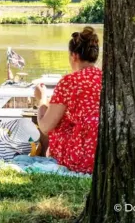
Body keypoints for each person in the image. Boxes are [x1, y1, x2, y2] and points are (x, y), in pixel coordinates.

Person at [35, 26, 102, 174]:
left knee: (51, 122)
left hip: (81, 157)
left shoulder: (69, 82)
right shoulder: (105, 78)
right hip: (103, 154)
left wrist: (42, 100)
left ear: (74, 56)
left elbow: (46, 127)